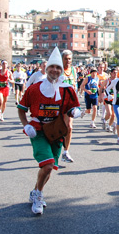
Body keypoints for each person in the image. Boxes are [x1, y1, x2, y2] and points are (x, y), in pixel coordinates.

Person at [17, 47, 81, 215]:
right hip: (38, 130)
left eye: (58, 68)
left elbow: (72, 108)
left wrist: (74, 112)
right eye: (52, 67)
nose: (55, 70)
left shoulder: (67, 89)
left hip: (57, 131)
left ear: (61, 71)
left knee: (50, 167)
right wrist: (26, 125)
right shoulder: (35, 88)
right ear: (47, 69)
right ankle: (38, 195)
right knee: (47, 166)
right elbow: (21, 109)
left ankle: (36, 191)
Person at [61, 50, 78, 163]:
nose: (68, 61)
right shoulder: (58, 70)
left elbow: (74, 84)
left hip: (69, 103)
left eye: (70, 59)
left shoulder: (73, 70)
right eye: (66, 58)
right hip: (58, 103)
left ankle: (65, 152)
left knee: (69, 127)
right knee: (59, 128)